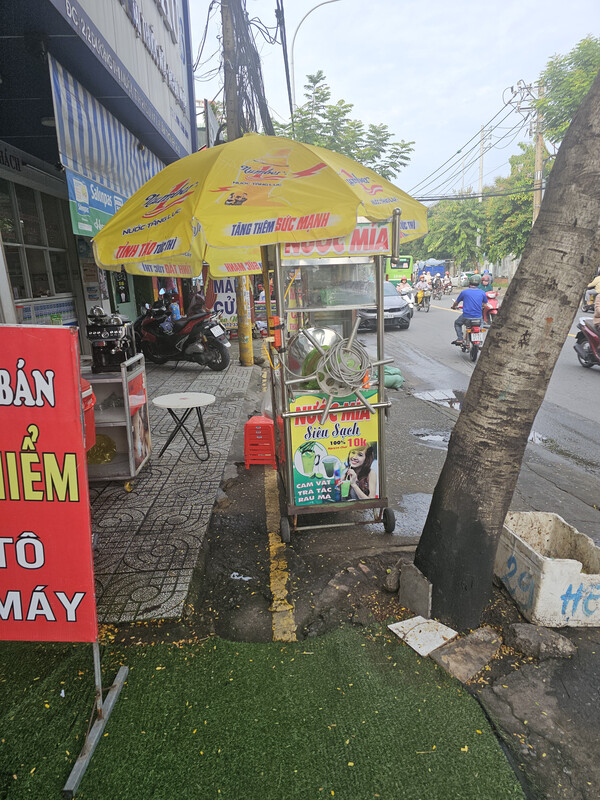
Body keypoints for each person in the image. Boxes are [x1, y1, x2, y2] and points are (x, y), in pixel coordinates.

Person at [451, 274, 490, 344]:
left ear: (469, 282)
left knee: (457, 323)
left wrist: (453, 306)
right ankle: (479, 340)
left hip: (466, 317)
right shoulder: (482, 292)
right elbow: (485, 305)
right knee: (480, 327)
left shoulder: (464, 292)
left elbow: (456, 302)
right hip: (478, 317)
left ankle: (460, 338)